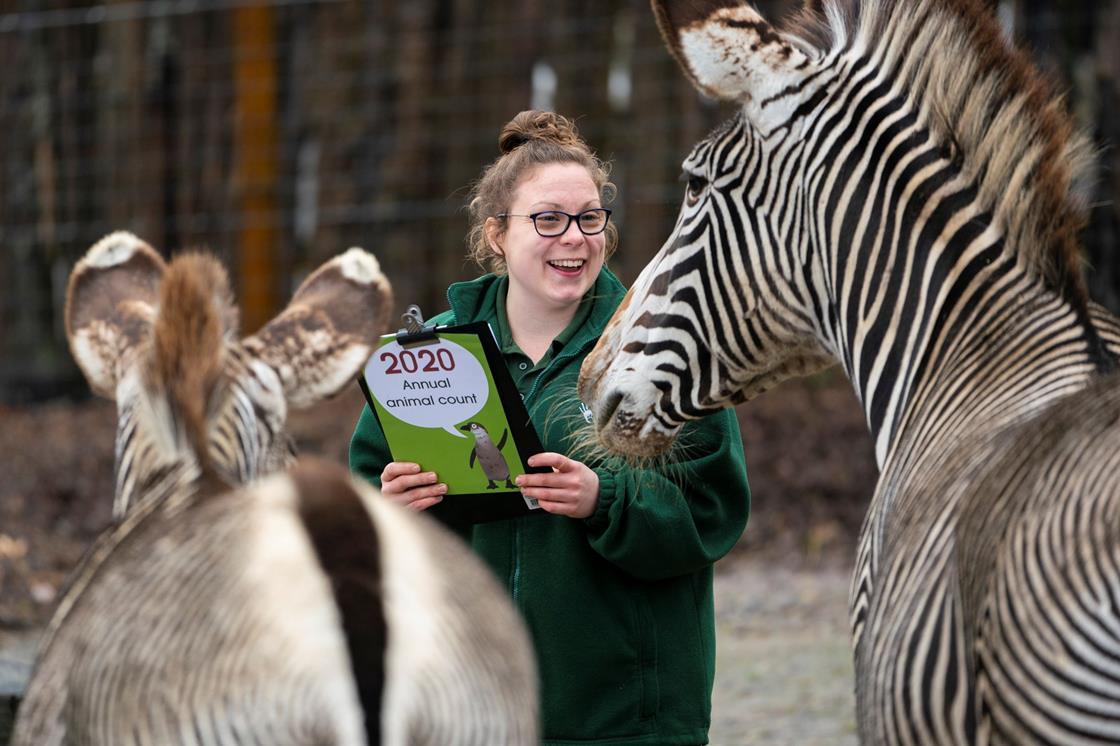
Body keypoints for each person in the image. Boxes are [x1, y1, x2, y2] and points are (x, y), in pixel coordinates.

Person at [350, 110, 750, 746]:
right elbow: (364, 516)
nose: (575, 237)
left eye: (591, 218)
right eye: (548, 220)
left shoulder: (663, 350)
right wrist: (390, 509)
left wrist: (603, 500)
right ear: (497, 234)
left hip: (624, 722)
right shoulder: (428, 362)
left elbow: (711, 513)